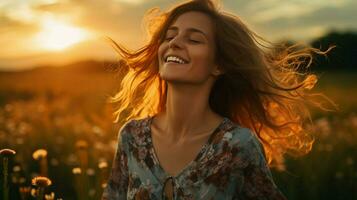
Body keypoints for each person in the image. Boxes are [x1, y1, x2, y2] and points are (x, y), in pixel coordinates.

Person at [102, 0, 336, 199]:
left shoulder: (237, 146)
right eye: (170, 36)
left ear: (219, 64)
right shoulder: (132, 137)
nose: (173, 43)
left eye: (194, 40)